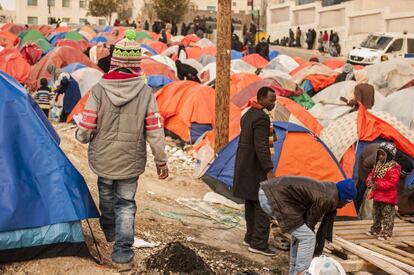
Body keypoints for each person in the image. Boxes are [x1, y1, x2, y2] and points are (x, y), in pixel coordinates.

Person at [75, 30, 168, 270]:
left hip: (103, 157)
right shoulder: (146, 93)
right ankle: (123, 256)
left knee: (106, 196)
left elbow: (86, 125)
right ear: (137, 63)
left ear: (114, 61)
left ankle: (110, 230)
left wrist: (81, 136)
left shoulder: (98, 89)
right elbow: (155, 129)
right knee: (126, 204)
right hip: (131, 159)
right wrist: (161, 160)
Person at [259, 176, 357, 275]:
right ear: (344, 198)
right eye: (347, 202)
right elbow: (310, 221)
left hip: (269, 191)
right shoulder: (328, 198)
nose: (344, 205)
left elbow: (308, 220)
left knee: (301, 234)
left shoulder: (329, 190)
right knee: (308, 237)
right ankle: (302, 272)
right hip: (273, 197)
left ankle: (294, 271)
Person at [233, 87, 277, 257]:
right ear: (261, 98)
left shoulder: (249, 113)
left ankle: (250, 237)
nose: (273, 104)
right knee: (263, 205)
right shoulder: (261, 118)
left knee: (251, 202)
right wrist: (269, 169)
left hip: (245, 165)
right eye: (270, 100)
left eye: (274, 100)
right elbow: (261, 147)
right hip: (255, 167)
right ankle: (258, 243)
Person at [366, 142, 401, 241]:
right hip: (377, 195)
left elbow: (392, 183)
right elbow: (371, 175)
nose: (380, 157)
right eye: (379, 154)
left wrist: (377, 185)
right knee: (376, 213)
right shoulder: (378, 165)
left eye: (383, 155)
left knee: (387, 216)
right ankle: (376, 229)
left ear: (389, 156)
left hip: (388, 197)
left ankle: (387, 233)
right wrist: (369, 181)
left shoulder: (393, 168)